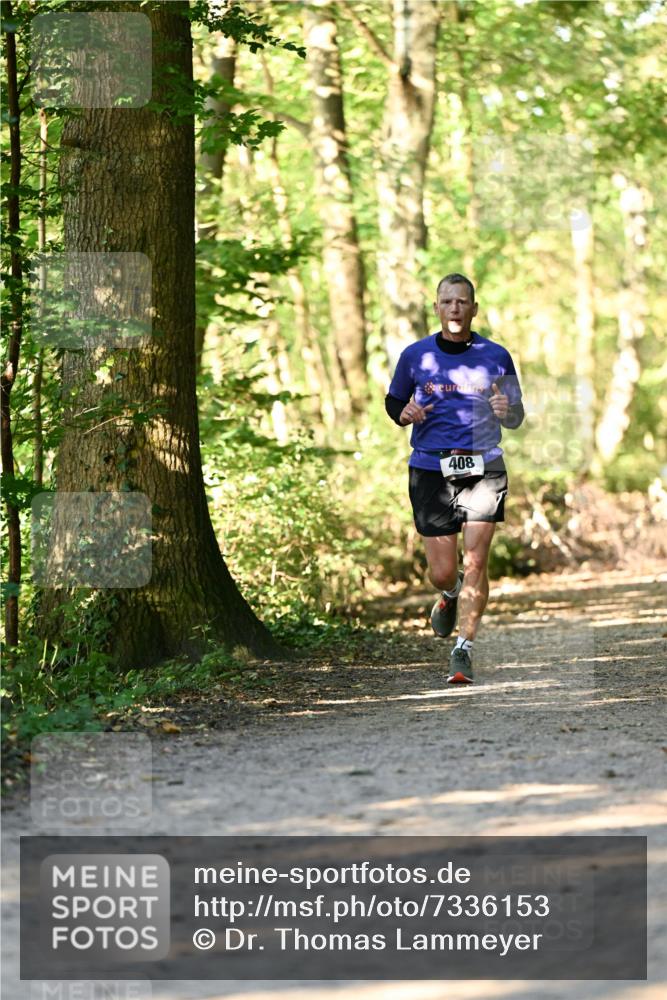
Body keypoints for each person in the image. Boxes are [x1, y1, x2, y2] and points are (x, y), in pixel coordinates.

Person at [385, 273, 524, 684]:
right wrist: (403, 414)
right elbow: (395, 400)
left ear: (474, 308)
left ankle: (463, 650)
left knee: (477, 562)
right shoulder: (415, 355)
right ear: (437, 308)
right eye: (447, 302)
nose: (455, 309)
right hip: (431, 468)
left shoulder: (496, 355)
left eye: (462, 302)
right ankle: (449, 594)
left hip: (485, 465)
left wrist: (506, 410)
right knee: (443, 572)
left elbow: (517, 413)